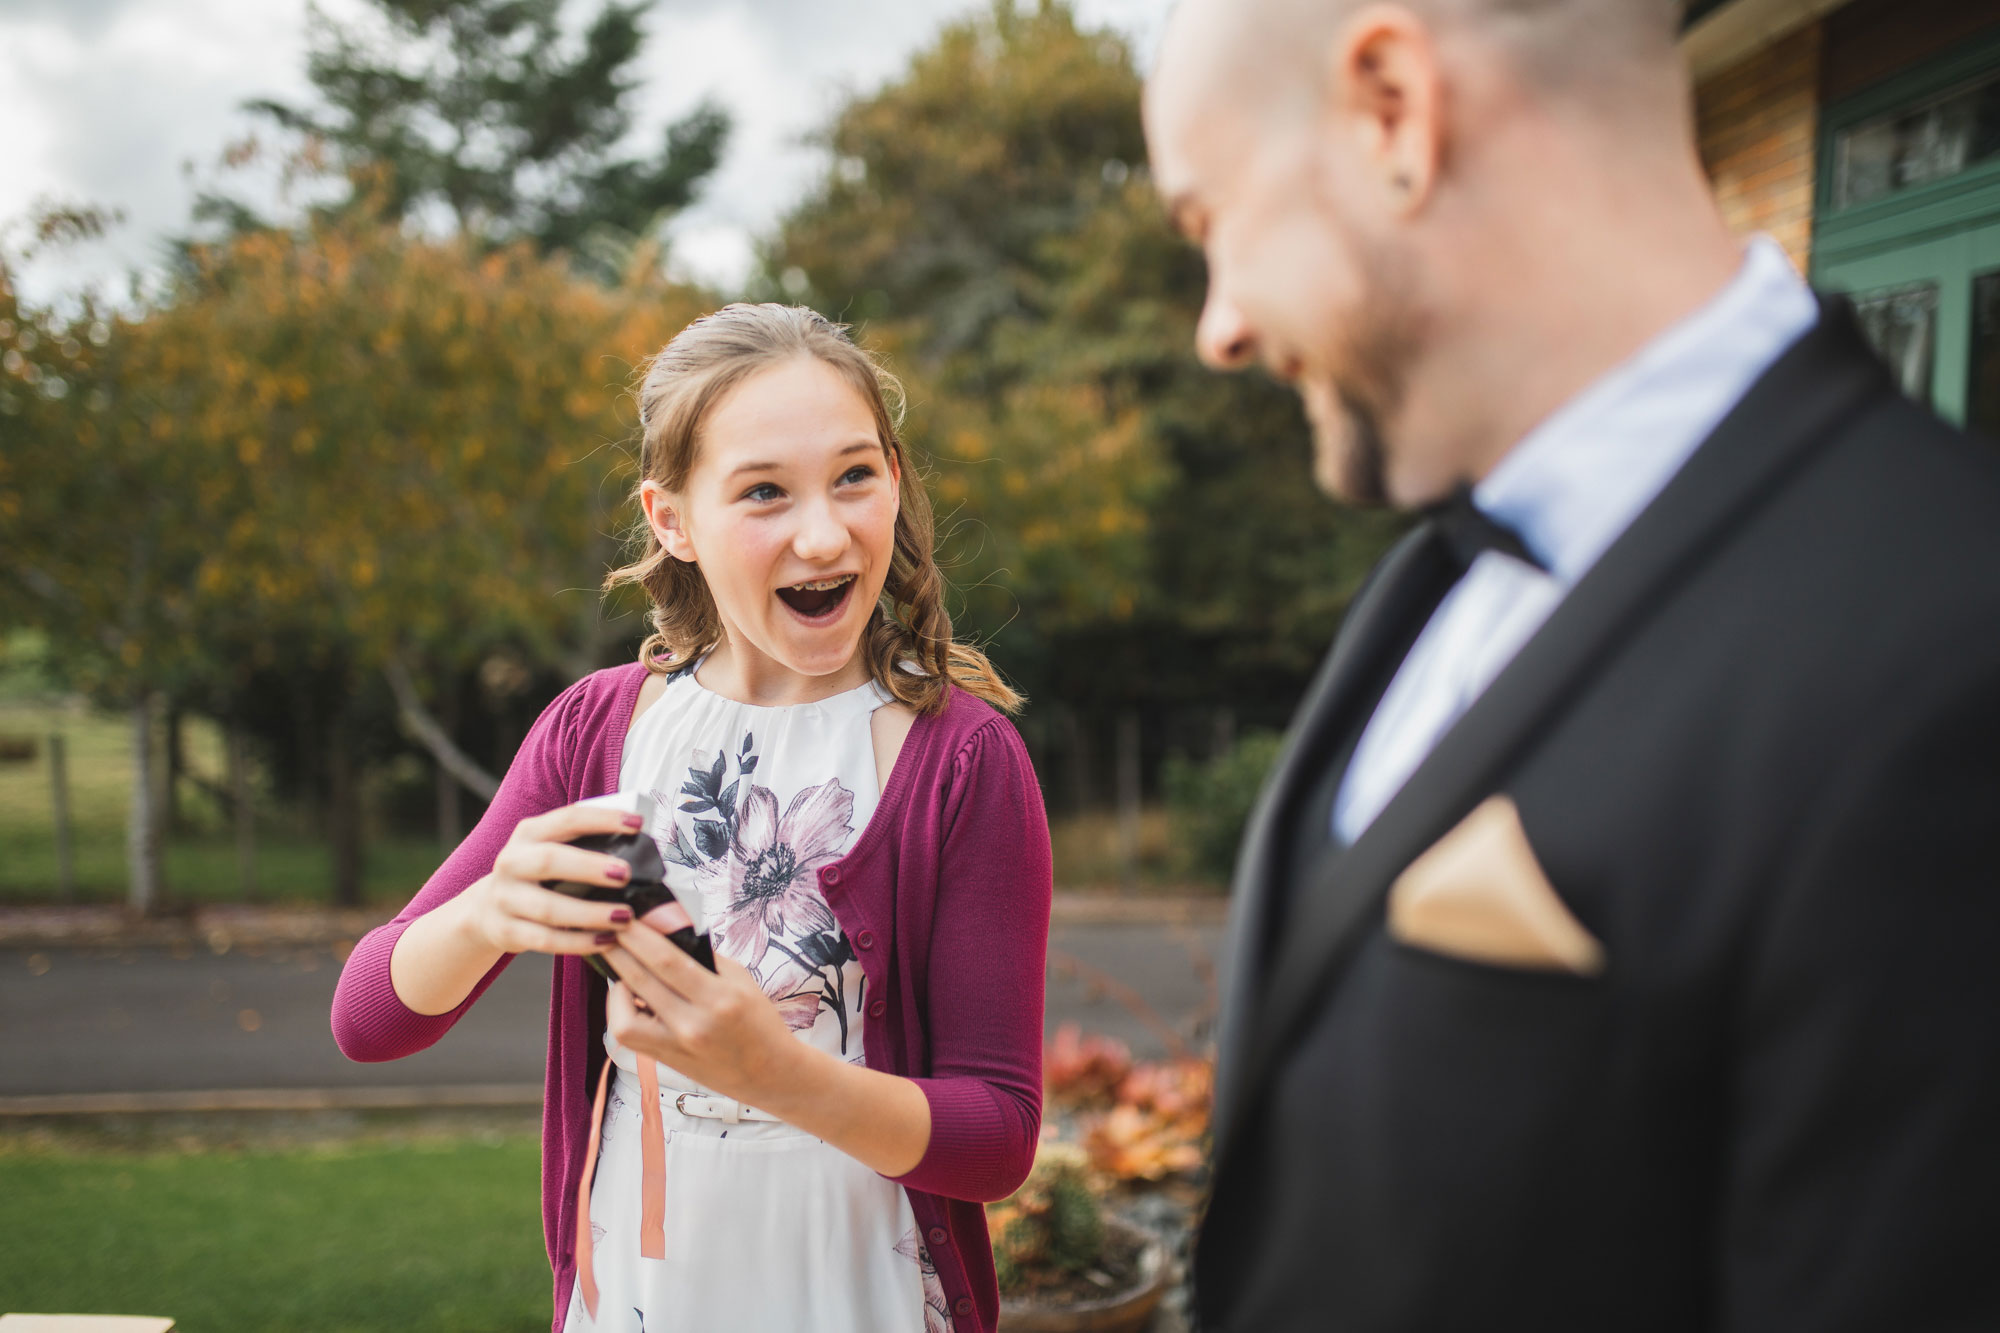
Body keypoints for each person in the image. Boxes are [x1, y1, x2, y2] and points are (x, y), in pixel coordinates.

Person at [1143, 1, 2000, 1329]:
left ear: (1392, 111)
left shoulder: (1951, 645)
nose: (1222, 327)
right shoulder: (1432, 575)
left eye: (1210, 224)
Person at [331, 303, 1052, 1333]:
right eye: (763, 491)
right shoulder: (599, 730)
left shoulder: (962, 760)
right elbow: (368, 1019)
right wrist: (491, 909)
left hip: (857, 1289)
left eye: (854, 474)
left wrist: (781, 1074)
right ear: (671, 520)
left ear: (894, 476)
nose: (823, 531)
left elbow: (996, 1140)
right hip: (639, 1289)